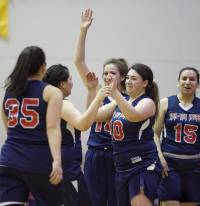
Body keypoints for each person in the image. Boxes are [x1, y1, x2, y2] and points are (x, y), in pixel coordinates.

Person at [74, 8, 128, 206]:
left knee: (116, 201)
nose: (107, 77)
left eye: (112, 73)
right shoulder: (97, 89)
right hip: (95, 153)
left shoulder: (129, 99)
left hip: (117, 155)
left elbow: (97, 116)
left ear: (123, 76)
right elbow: (79, 62)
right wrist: (83, 30)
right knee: (91, 201)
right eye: (105, 73)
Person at [0, 46, 64, 206]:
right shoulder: (52, 92)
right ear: (43, 67)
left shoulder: (10, 90)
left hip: (9, 160)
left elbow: (7, 123)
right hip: (38, 161)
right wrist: (57, 161)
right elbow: (53, 128)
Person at [93, 63, 161, 206]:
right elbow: (93, 116)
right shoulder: (119, 103)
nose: (129, 81)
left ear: (145, 83)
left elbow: (133, 115)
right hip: (122, 168)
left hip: (142, 166)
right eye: (128, 78)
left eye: (134, 78)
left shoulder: (147, 102)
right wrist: (93, 90)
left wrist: (115, 93)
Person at [43, 64, 111, 206]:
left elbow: (86, 117)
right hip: (67, 169)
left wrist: (91, 91)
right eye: (70, 79)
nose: (72, 83)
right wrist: (100, 98)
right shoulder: (62, 103)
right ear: (62, 84)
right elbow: (83, 124)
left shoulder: (45, 102)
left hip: (48, 165)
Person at [154, 67, 200, 206]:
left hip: (193, 164)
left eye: (192, 79)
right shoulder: (166, 103)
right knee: (170, 203)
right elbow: (155, 133)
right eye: (184, 78)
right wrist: (159, 156)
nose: (187, 82)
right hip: (169, 162)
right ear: (178, 82)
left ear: (197, 84)